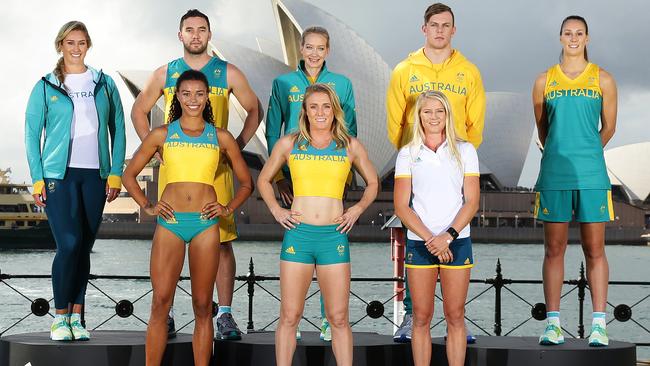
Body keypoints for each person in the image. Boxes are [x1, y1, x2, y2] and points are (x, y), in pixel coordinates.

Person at [131, 9, 261, 340]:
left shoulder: (227, 71)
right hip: (178, 172)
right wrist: (156, 147)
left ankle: (225, 315)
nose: (196, 35)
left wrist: (235, 147)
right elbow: (139, 109)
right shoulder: (166, 73)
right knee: (169, 243)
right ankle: (168, 310)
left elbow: (254, 108)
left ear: (209, 35)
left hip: (215, 170)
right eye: (189, 30)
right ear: (180, 35)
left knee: (223, 243)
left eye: (201, 29)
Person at [123, 70, 253, 365]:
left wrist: (227, 208)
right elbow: (129, 175)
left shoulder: (221, 137)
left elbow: (247, 183)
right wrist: (148, 205)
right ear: (176, 97)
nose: (193, 99)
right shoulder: (161, 134)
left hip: (206, 224)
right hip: (170, 223)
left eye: (199, 93)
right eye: (186, 93)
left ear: (208, 96)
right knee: (159, 303)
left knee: (203, 306)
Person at [385, 2, 485, 342]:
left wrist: (457, 157)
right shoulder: (404, 69)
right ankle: (412, 314)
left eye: (446, 25)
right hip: (416, 162)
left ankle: (457, 318)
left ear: (453, 30)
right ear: (424, 29)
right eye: (434, 25)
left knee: (454, 226)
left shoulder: (469, 70)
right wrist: (413, 159)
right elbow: (395, 121)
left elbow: (475, 123)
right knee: (417, 233)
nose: (440, 30)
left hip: (455, 160)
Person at [258, 84, 378, 366]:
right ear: (305, 111)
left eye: (326, 106)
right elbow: (263, 180)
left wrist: (357, 209)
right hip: (298, 236)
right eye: (314, 106)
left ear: (334, 110)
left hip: (332, 237)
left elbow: (374, 183)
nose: (320, 112)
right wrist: (277, 210)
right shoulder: (289, 143)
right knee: (289, 315)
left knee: (338, 317)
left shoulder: (349, 145)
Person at [25, 21, 126, 341]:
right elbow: (31, 134)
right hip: (59, 175)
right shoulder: (46, 85)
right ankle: (59, 317)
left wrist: (115, 172)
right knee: (68, 243)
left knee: (83, 247)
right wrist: (38, 178)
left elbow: (119, 129)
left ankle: (77, 319)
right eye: (70, 42)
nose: (76, 48)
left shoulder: (104, 83)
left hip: (95, 175)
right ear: (60, 45)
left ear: (88, 45)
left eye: (81, 42)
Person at [266, 25, 357, 341]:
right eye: (309, 47)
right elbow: (272, 128)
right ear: (300, 49)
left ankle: (325, 319)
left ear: (327, 51)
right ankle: (295, 319)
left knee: (329, 249)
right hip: (293, 172)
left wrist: (344, 176)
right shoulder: (283, 82)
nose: (314, 53)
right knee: (300, 245)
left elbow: (351, 132)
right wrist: (278, 178)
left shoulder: (342, 84)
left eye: (321, 48)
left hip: (329, 170)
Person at [533, 15, 617, 347]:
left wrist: (587, 151)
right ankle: (553, 324)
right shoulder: (544, 81)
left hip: (592, 174)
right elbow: (542, 127)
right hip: (555, 174)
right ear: (560, 37)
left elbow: (608, 128)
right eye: (568, 33)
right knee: (553, 249)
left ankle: (599, 324)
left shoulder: (604, 79)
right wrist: (558, 150)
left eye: (579, 33)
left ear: (587, 38)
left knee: (594, 249)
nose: (573, 38)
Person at [394, 91, 479, 366]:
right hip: (421, 243)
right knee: (421, 316)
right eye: (427, 111)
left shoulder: (465, 150)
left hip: (457, 240)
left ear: (447, 115)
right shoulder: (407, 153)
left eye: (439, 111)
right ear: (418, 115)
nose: (433, 117)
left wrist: (448, 236)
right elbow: (402, 206)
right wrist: (432, 239)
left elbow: (472, 201)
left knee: (455, 315)